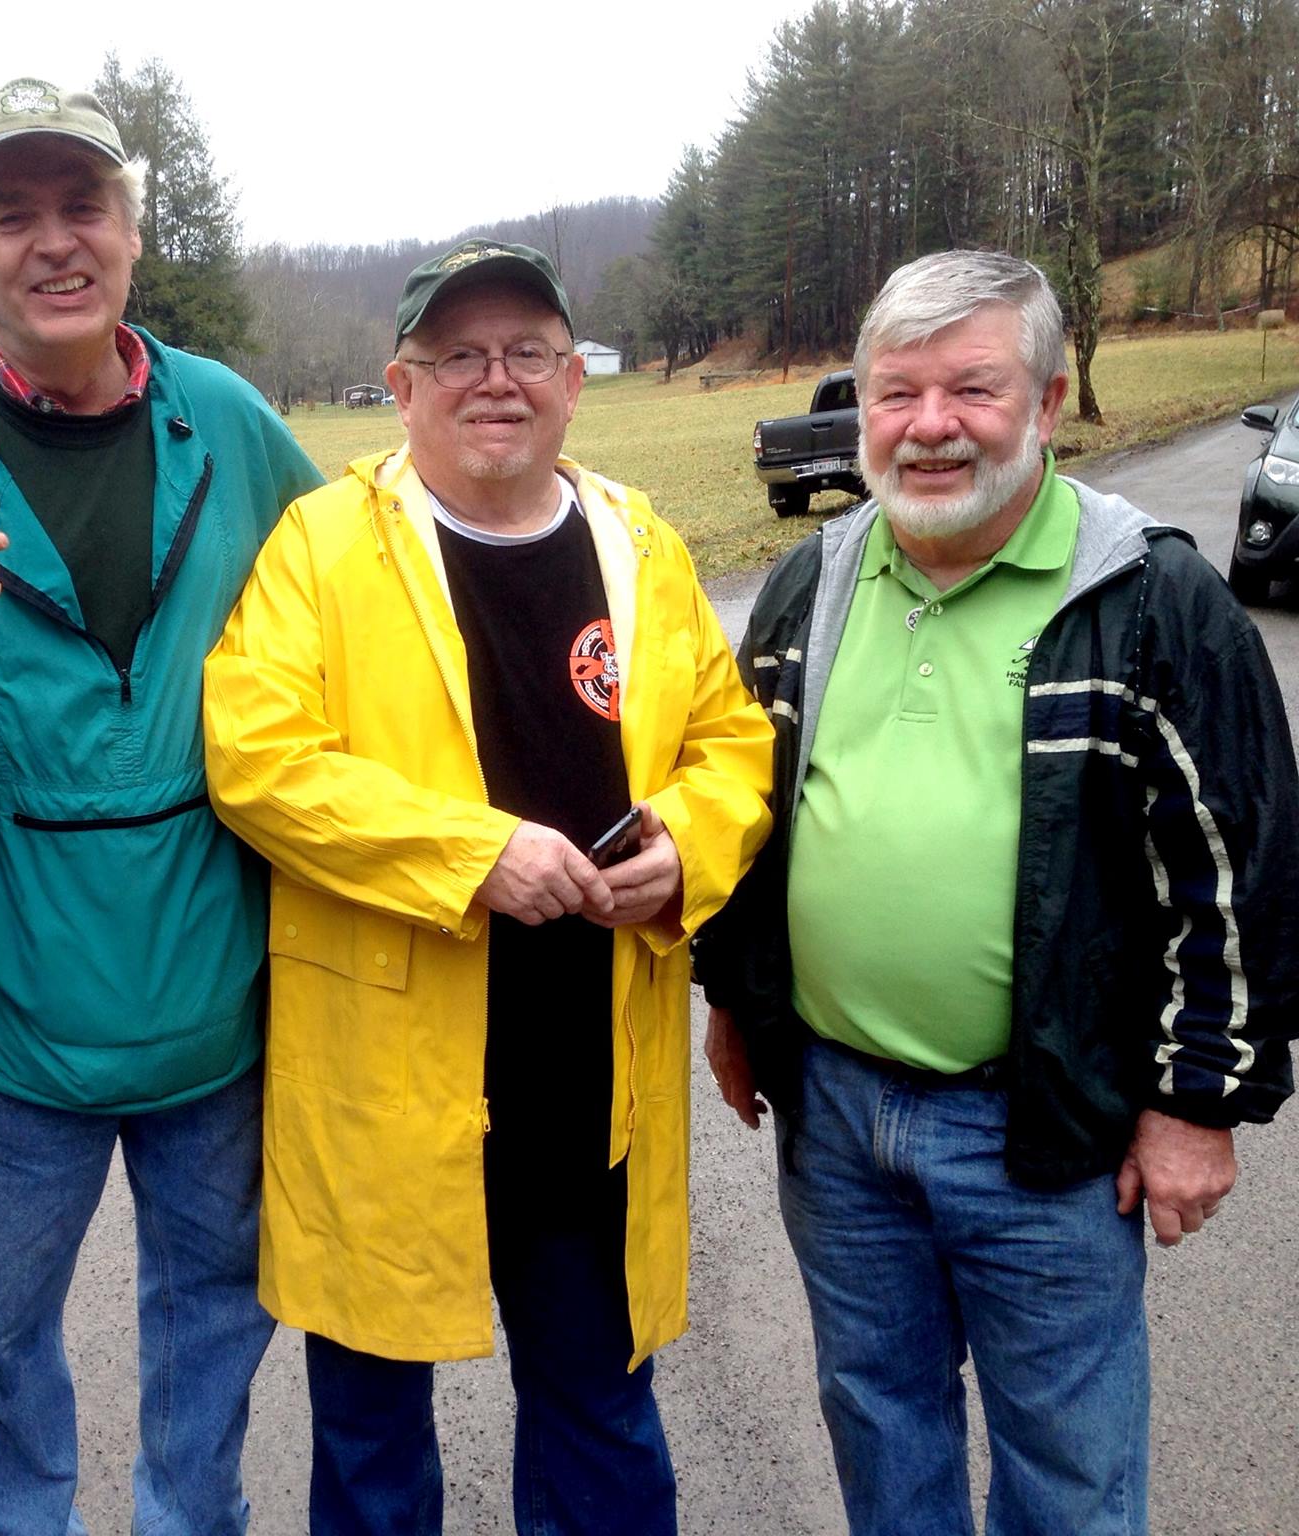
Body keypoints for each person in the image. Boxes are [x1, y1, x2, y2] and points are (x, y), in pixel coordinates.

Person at [695, 249, 1299, 1534]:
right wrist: (739, 1003)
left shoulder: (1149, 600)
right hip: (838, 1120)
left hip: (1040, 1128)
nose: (925, 427)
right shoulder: (814, 582)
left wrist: (1199, 1102)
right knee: (878, 1422)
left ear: (1047, 395)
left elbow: (1231, 876)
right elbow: (752, 814)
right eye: (891, 393)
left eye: (968, 389)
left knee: (1067, 1471)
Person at [202, 239, 774, 1534]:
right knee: (369, 1445)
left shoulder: (640, 547)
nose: (494, 380)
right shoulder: (323, 549)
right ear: (402, 388)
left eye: (525, 352)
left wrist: (690, 844)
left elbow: (732, 744)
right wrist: (473, 854)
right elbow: (257, 761)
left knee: (601, 1421)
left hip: (591, 1091)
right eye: (458, 355)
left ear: (576, 380)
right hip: (391, 1097)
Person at [0, 78, 321, 1535]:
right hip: (7, 1032)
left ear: (132, 228)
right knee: (2, 1345)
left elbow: (353, 622)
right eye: (9, 212)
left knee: (215, 1326)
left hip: (218, 1009)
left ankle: (189, 1519)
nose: (53, 242)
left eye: (82, 203)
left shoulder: (227, 422)